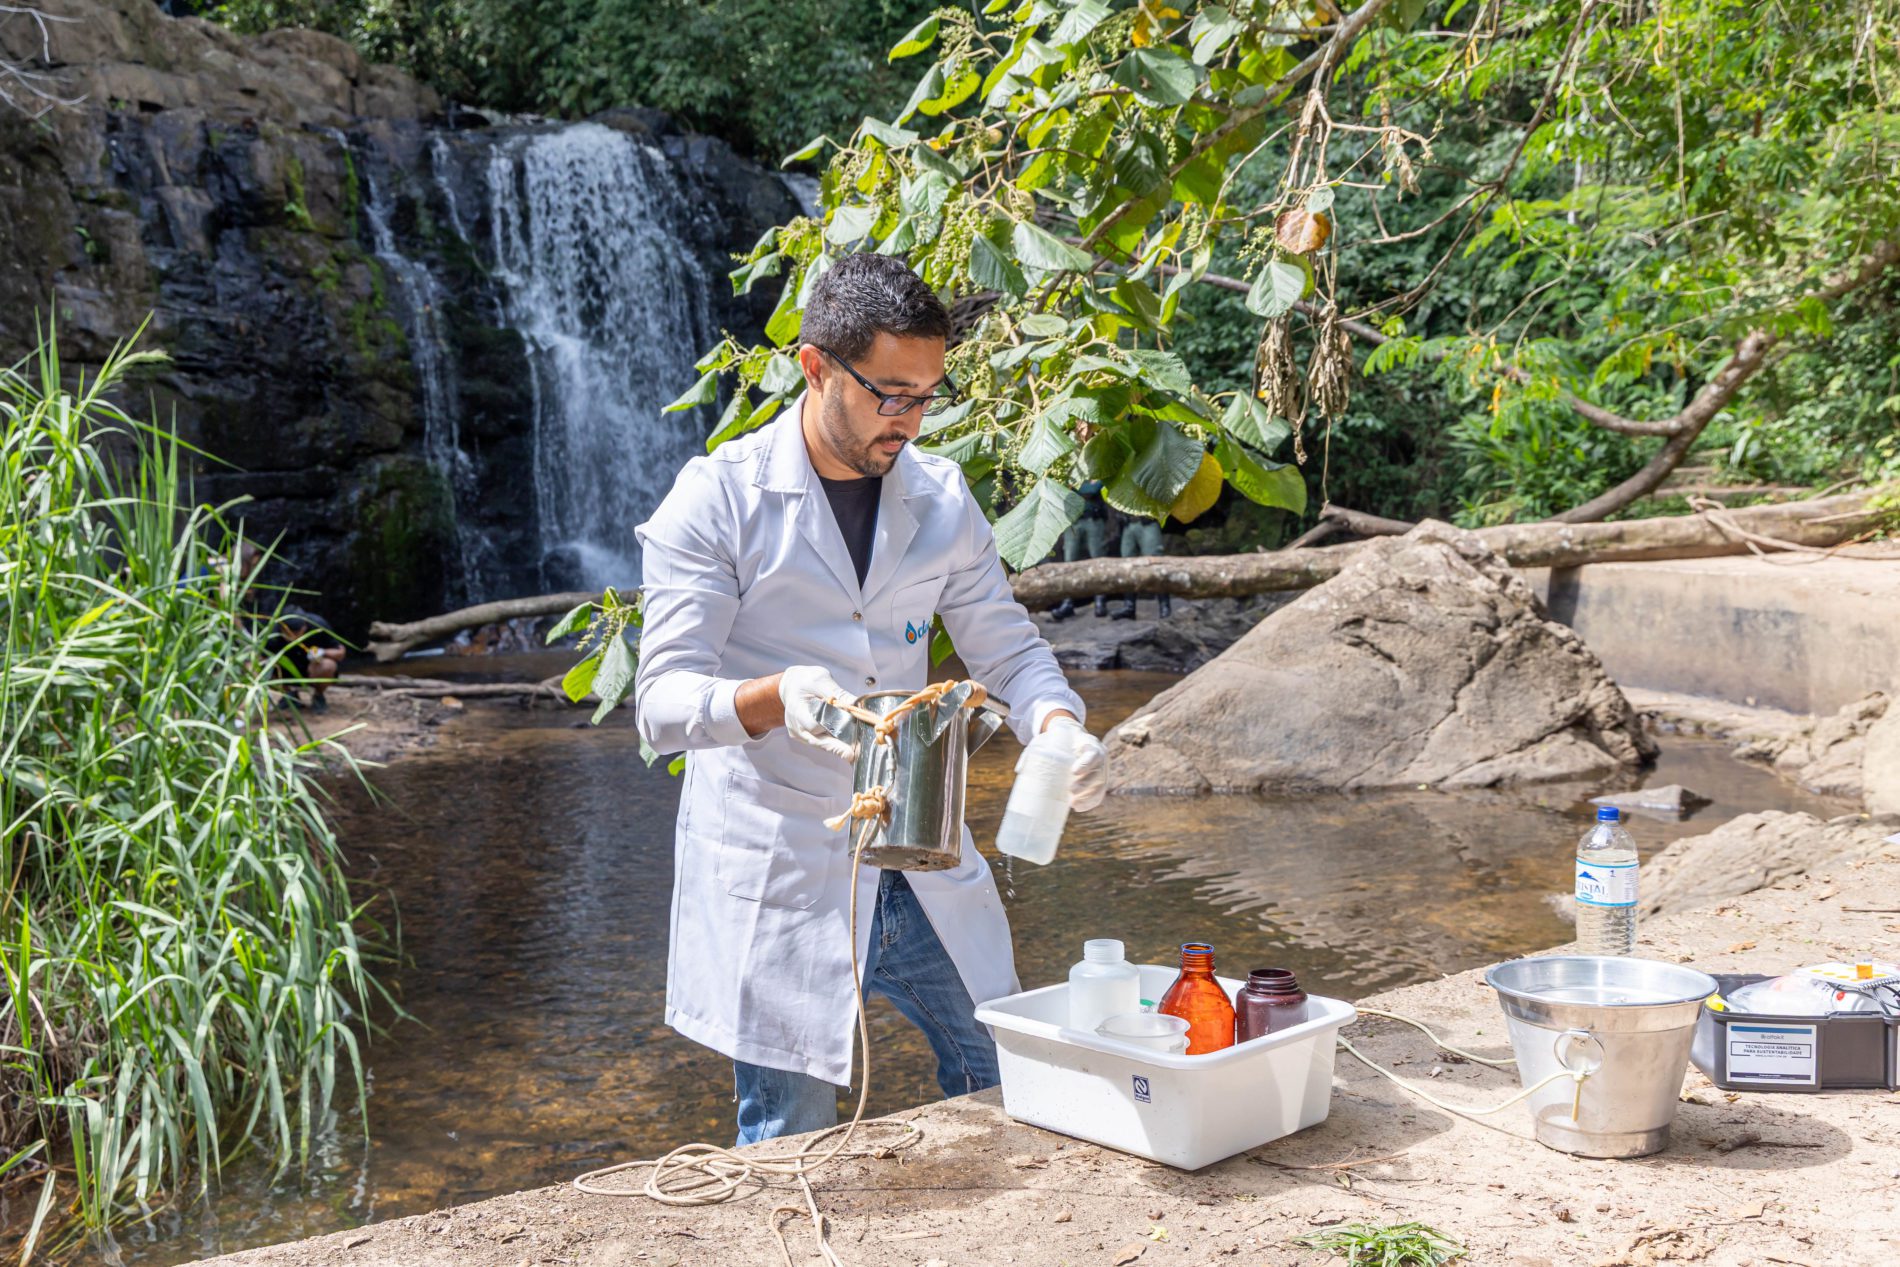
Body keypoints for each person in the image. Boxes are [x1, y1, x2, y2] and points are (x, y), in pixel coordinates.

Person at [633, 253, 1109, 1146]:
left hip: (920, 844)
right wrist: (778, 695)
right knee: (790, 1131)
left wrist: (1058, 724)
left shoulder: (941, 496)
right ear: (817, 367)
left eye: (928, 395)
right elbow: (660, 703)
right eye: (891, 394)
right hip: (783, 854)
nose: (911, 419)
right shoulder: (718, 500)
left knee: (1005, 1074)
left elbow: (1007, 648)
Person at [1048, 479, 1111, 620]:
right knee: (1069, 563)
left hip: (1093, 519)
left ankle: (1100, 600)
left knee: (1098, 562)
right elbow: (1063, 489)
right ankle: (1067, 602)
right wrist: (1084, 487)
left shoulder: (1094, 465)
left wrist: (1076, 487)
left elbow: (1094, 489)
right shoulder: (1068, 467)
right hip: (1074, 522)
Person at [1111, 516, 1173, 621]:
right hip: (1129, 523)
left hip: (1148, 522)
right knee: (1127, 565)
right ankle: (1129, 606)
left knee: (1156, 564)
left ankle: (1164, 605)